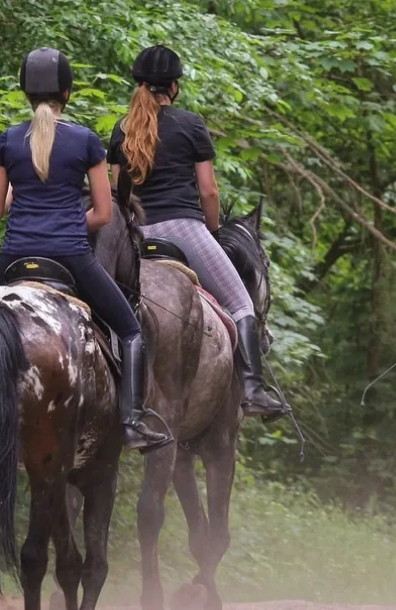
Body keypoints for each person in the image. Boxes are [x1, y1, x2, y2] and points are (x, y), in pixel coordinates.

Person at [0, 47, 170, 451]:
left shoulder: (6, 142)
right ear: (67, 93)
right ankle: (133, 421)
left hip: (14, 254)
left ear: (25, 93)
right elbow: (104, 215)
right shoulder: (86, 141)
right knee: (131, 330)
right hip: (70, 255)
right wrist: (67, 224)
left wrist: (22, 190)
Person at [107, 44, 287, 418]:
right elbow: (209, 190)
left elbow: (118, 194)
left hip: (137, 235)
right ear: (173, 86)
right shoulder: (190, 124)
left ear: (139, 83)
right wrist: (213, 228)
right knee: (240, 303)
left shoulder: (122, 129)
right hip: (183, 228)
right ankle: (253, 390)